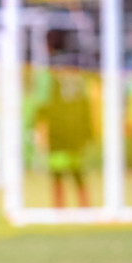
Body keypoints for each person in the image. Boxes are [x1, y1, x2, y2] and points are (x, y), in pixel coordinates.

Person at [32, 31, 95, 209]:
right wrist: (87, 128)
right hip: (75, 127)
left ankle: (59, 208)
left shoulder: (49, 70)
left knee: (57, 172)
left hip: (58, 127)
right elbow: (84, 100)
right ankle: (85, 207)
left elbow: (43, 101)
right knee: (77, 171)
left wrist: (37, 123)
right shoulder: (76, 69)